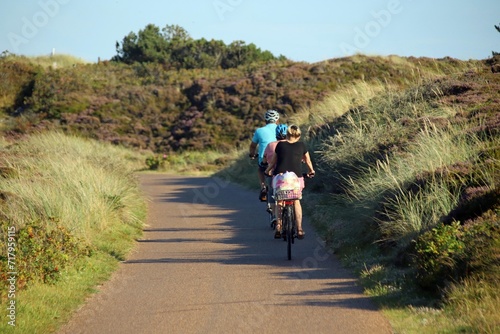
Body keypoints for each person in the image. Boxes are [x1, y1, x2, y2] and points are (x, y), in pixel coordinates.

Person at [265, 124, 315, 239]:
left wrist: (267, 171)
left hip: (280, 178)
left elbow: (272, 163)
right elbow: (308, 161)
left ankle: (278, 225)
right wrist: (311, 171)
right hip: (295, 179)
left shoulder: (280, 145)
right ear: (298, 135)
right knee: (296, 201)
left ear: (287, 134)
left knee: (279, 201)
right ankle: (300, 229)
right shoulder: (301, 145)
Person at [249, 109, 279, 201]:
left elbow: (253, 146)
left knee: (261, 169)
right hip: (280, 157)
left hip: (265, 158)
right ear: (277, 120)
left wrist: (252, 155)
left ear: (265, 120)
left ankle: (263, 185)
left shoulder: (259, 131)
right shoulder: (282, 128)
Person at [262, 124, 288, 225]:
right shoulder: (292, 144)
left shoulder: (270, 145)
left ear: (276, 134)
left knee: (272, 193)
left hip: (274, 174)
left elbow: (264, 160)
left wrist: (264, 164)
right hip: (291, 176)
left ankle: (273, 215)